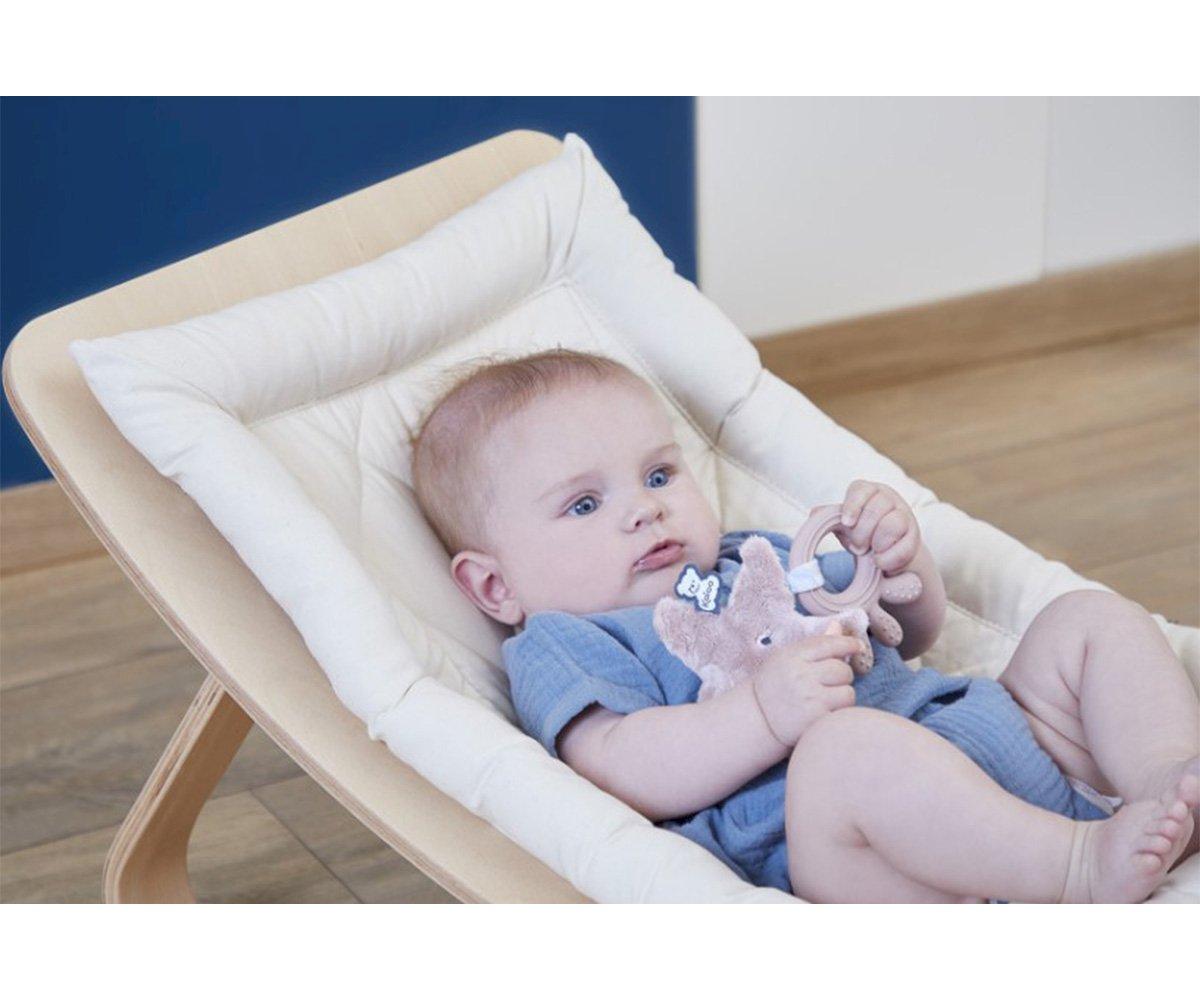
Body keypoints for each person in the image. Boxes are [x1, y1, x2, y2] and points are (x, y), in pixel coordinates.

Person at [412, 348, 1199, 902]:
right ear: (495, 585)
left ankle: (1170, 783)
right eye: (584, 504)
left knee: (1086, 619)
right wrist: (761, 715)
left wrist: (902, 563)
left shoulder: (752, 556)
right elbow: (621, 770)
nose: (644, 508)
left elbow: (909, 633)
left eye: (658, 474)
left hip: (993, 737)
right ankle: (1074, 868)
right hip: (857, 844)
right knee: (841, 749)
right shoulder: (566, 641)